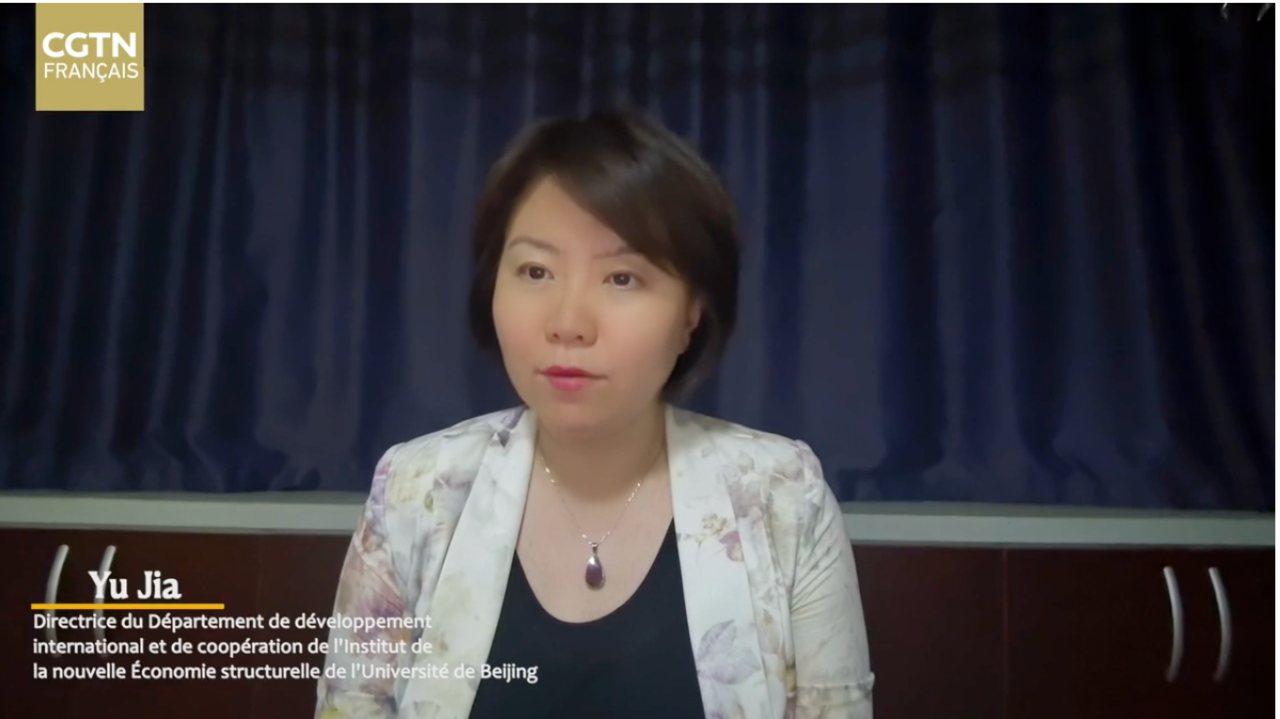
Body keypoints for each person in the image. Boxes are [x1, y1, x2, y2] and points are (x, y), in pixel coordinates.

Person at [315, 107, 874, 719]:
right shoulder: (415, 492)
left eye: (622, 278)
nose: (568, 323)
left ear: (692, 312)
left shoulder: (784, 498)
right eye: (535, 271)